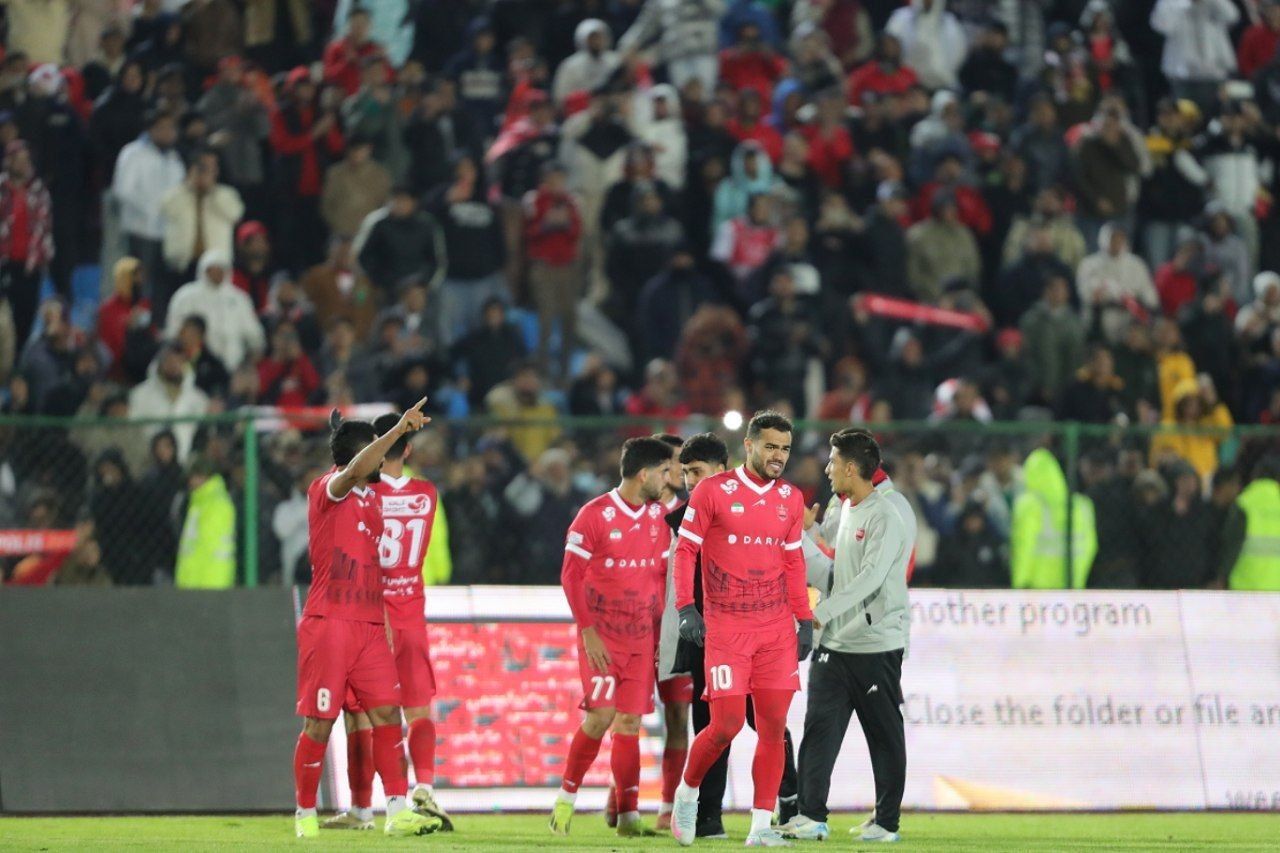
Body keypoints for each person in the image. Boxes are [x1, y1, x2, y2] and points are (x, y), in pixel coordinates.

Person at [292, 402, 441, 840]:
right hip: (330, 622)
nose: (382, 460)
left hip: (371, 626)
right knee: (320, 722)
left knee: (387, 715)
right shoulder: (329, 489)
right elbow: (355, 467)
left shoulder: (373, 499)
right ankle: (304, 814)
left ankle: (396, 811)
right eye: (375, 451)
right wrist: (396, 431)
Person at [670, 410, 813, 848]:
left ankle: (760, 827)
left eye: (785, 449)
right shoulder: (713, 491)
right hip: (727, 628)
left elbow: (793, 561)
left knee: (773, 728)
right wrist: (685, 608)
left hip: (776, 629)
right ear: (748, 445)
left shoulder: (791, 498)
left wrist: (804, 618)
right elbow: (685, 552)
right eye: (770, 446)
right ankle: (687, 793)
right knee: (726, 725)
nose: (778, 456)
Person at [786, 428, 909, 844]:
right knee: (818, 729)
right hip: (835, 645)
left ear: (852, 468)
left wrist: (822, 612)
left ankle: (886, 823)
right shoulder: (845, 509)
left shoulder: (885, 516)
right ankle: (810, 816)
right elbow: (840, 572)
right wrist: (810, 536)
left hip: (875, 645)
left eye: (833, 461)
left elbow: (871, 579)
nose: (827, 469)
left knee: (883, 734)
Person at [549, 436, 673, 838]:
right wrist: (587, 631)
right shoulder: (594, 515)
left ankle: (629, 817)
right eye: (664, 472)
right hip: (601, 635)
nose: (668, 480)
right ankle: (566, 797)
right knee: (601, 716)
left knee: (630, 722)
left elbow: (660, 578)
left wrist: (659, 634)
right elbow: (570, 576)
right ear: (644, 474)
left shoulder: (659, 517)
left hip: (641, 637)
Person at [164, 250, 266, 371]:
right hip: (194, 365)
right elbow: (173, 332)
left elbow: (254, 336)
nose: (217, 273)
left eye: (221, 269)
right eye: (213, 269)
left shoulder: (239, 299)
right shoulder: (186, 296)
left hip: (233, 366)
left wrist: (250, 360)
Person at [174, 456, 236, 589]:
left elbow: (206, 547)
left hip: (208, 581)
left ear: (202, 476)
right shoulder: (199, 502)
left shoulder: (215, 504)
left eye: (192, 477)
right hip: (198, 580)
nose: (190, 482)